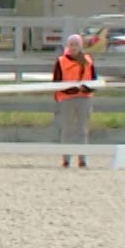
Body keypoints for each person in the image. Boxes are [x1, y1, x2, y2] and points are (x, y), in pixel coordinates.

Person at [52, 33, 96, 168]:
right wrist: (68, 89)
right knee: (67, 130)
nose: (74, 47)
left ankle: (82, 159)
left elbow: (94, 80)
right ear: (67, 46)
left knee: (83, 130)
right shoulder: (61, 61)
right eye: (71, 45)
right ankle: (66, 159)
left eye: (76, 44)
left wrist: (87, 89)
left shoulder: (88, 61)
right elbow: (56, 82)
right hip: (67, 99)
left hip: (84, 99)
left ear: (81, 46)